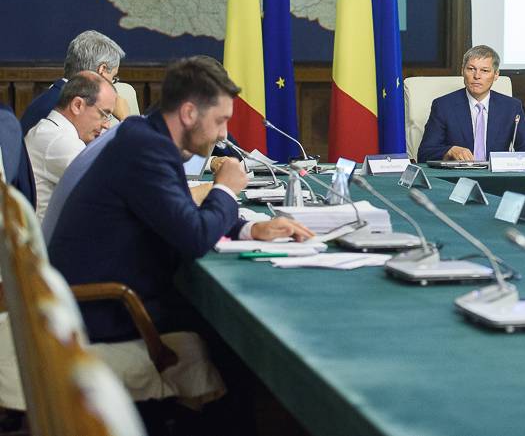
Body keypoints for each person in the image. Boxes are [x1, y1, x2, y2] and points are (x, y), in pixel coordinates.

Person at [47, 56, 313, 343]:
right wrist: (225, 189)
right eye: (220, 121)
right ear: (188, 113)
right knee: (240, 331)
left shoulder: (147, 138)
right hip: (105, 314)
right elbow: (195, 237)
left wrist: (250, 229)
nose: (223, 135)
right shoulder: (146, 149)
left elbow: (179, 211)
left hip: (105, 301)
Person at [417, 45, 525, 162]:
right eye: (471, 69)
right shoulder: (443, 106)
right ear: (462, 71)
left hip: (495, 175)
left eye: (484, 70)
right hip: (460, 174)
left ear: (496, 75)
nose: (477, 76)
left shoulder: (511, 107)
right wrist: (449, 151)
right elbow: (424, 153)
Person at [24, 71, 117, 219]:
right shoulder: (59, 141)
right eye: (104, 114)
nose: (106, 125)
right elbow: (113, 190)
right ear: (77, 105)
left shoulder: (51, 130)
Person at [19, 30, 128, 135]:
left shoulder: (52, 96)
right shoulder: (69, 109)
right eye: (113, 78)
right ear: (102, 70)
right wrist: (125, 119)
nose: (112, 84)